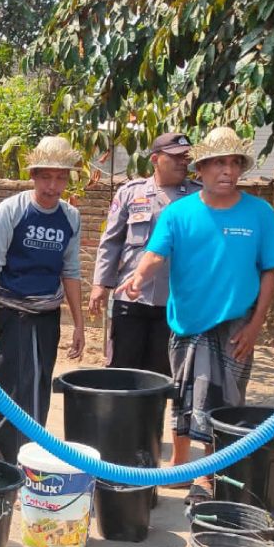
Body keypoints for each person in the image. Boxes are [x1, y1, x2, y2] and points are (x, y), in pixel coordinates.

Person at [119, 127, 274, 504]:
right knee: (183, 395)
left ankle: (208, 476)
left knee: (225, 402)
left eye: (234, 163)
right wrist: (138, 278)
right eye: (218, 163)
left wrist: (256, 325)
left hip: (236, 326)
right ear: (202, 168)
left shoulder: (259, 212)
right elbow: (156, 253)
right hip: (186, 322)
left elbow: (270, 270)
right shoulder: (180, 212)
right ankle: (181, 467)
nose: (227, 171)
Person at [0, 136, 86, 465]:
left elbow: (71, 270)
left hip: (46, 317)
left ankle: (31, 463)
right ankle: (0, 464)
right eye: (46, 177)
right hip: (10, 314)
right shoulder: (12, 211)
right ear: (34, 175)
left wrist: (79, 324)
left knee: (37, 390)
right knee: (5, 391)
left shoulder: (70, 217)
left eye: (61, 177)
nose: (53, 186)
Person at [91, 132, 200, 375]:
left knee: (160, 376)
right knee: (121, 372)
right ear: (155, 159)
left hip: (174, 302)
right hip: (130, 300)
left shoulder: (197, 197)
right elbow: (111, 241)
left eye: (186, 157)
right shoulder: (130, 192)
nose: (183, 162)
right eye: (175, 157)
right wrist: (100, 284)